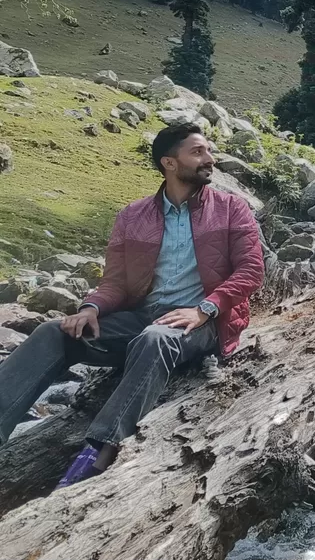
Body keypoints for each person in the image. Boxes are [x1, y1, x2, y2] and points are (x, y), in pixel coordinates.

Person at [0, 123, 264, 487]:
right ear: (169, 163)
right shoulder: (133, 216)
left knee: (156, 338)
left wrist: (204, 309)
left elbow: (251, 270)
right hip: (141, 318)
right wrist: (91, 308)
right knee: (51, 333)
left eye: (208, 151)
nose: (210, 159)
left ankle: (98, 454)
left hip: (203, 323)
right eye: (198, 152)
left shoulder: (232, 209)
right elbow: (115, 284)